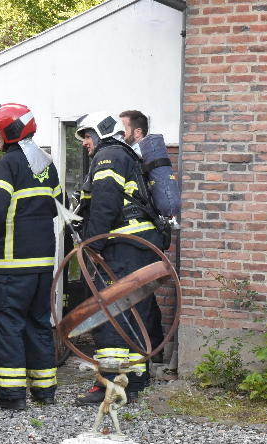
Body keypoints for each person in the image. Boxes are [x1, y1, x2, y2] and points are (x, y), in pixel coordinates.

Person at [0, 103, 61, 410]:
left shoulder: (7, 165)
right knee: (38, 324)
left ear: (9, 133)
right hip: (43, 264)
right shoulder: (46, 164)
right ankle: (45, 392)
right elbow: (62, 205)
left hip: (9, 265)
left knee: (7, 327)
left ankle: (11, 396)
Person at [73, 112, 163, 405]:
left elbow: (105, 202)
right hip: (142, 246)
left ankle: (109, 385)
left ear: (101, 132)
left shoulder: (108, 155)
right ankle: (135, 380)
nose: (86, 142)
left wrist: (94, 243)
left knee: (111, 312)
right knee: (137, 311)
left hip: (121, 247)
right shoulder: (127, 155)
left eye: (88, 135)